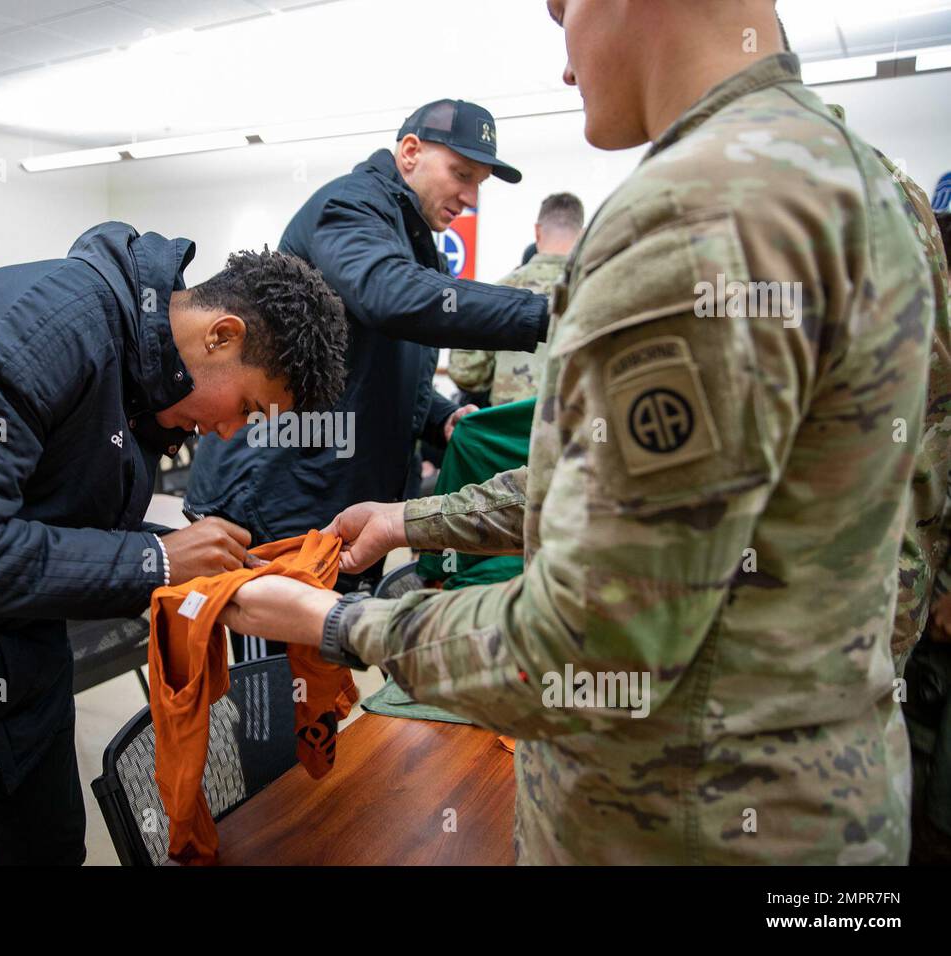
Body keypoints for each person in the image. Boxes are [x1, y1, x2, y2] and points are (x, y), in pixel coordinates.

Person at [220, 0, 935, 864]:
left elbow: (585, 642)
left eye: (563, 12)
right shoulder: (862, 179)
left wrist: (346, 624)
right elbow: (629, 494)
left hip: (677, 823)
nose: (565, 62)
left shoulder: (698, 212)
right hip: (808, 801)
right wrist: (412, 520)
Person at [0, 223, 347, 865]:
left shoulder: (142, 366)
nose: (226, 433)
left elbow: (48, 516)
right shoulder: (39, 333)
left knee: (50, 848)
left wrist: (194, 562)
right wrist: (156, 560)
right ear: (222, 336)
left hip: (16, 645)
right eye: (246, 407)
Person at [186, 98, 548, 659]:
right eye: (462, 175)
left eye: (480, 184)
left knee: (321, 684)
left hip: (333, 496)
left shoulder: (412, 240)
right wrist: (546, 312)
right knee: (275, 696)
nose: (471, 198)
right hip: (276, 497)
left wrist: (439, 416)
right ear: (409, 153)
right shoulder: (349, 209)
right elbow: (389, 297)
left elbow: (370, 365)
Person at [449, 192, 585, 405]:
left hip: (509, 429)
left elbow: (465, 372)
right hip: (571, 427)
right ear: (583, 235)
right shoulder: (591, 290)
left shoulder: (500, 292)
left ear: (537, 232)